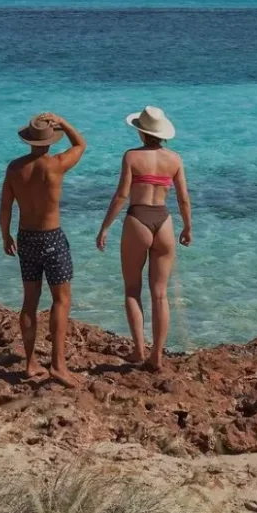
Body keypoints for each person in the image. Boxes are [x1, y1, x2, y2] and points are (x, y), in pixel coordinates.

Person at [96, 106, 191, 371]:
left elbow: (121, 196)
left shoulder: (131, 157)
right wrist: (188, 227)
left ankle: (139, 350)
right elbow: (183, 198)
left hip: (138, 219)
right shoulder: (175, 159)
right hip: (164, 222)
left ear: (141, 131)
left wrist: (105, 227)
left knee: (132, 290)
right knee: (160, 295)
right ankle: (157, 356)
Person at [0, 112, 86, 387]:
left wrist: (6, 236)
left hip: (26, 238)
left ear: (28, 140)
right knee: (61, 300)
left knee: (30, 301)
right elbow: (81, 145)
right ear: (50, 141)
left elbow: (5, 207)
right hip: (52, 238)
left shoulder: (14, 169)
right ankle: (58, 365)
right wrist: (65, 122)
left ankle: (30, 363)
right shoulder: (57, 164)